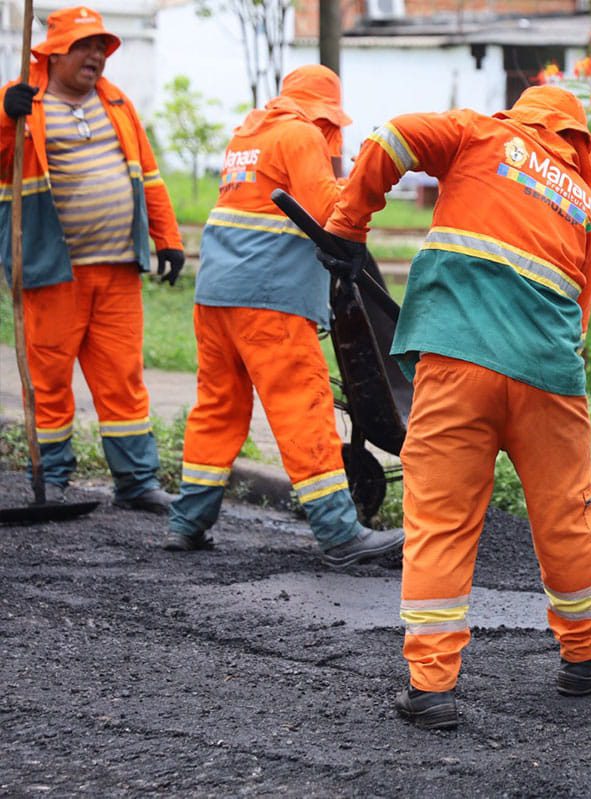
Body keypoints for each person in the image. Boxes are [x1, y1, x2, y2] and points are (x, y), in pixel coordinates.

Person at [318, 84, 591, 730]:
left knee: (440, 516)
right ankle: (587, 652)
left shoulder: (480, 135)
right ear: (578, 145)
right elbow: (580, 317)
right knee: (566, 514)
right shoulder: (586, 207)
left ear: (525, 118)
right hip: (548, 375)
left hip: (457, 360)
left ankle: (431, 686)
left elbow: (395, 135)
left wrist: (348, 225)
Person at [164, 64, 404, 570]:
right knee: (303, 408)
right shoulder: (299, 134)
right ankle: (340, 534)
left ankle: (187, 522)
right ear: (324, 113)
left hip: (216, 296)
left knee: (218, 408)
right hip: (267, 299)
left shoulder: (248, 135)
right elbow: (328, 212)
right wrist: (366, 176)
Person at [1, 6, 185, 513]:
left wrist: (167, 237)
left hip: (118, 269)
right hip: (52, 270)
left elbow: (148, 175)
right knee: (51, 376)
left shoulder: (117, 102)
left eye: (101, 46)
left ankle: (136, 482)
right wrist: (4, 117)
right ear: (53, 51)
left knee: (122, 377)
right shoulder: (21, 100)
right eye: (84, 46)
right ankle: (53, 477)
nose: (96, 55)